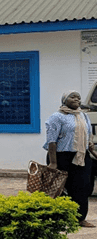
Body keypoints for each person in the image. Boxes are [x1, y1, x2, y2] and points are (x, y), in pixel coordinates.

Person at [45, 91, 95, 226]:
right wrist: (53, 162)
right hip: (61, 156)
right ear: (64, 100)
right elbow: (51, 141)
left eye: (78, 97)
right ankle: (58, 218)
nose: (76, 99)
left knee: (83, 187)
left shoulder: (83, 116)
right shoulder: (57, 117)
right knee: (59, 188)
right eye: (72, 97)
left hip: (81, 156)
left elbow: (88, 137)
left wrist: (93, 153)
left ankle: (80, 218)